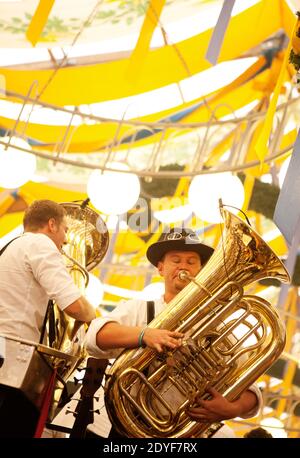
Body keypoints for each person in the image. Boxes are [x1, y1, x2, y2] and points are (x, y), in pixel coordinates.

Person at [85, 227, 262, 438]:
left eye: (191, 261)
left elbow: (251, 385)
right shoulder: (140, 309)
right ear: (161, 268)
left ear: (202, 271)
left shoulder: (217, 325)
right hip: (128, 429)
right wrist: (145, 335)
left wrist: (232, 409)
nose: (183, 267)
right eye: (175, 260)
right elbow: (95, 337)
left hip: (182, 434)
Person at [0, 199, 96, 438]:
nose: (65, 240)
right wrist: (94, 316)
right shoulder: (40, 244)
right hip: (12, 366)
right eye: (65, 230)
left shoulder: (10, 246)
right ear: (52, 224)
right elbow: (73, 305)